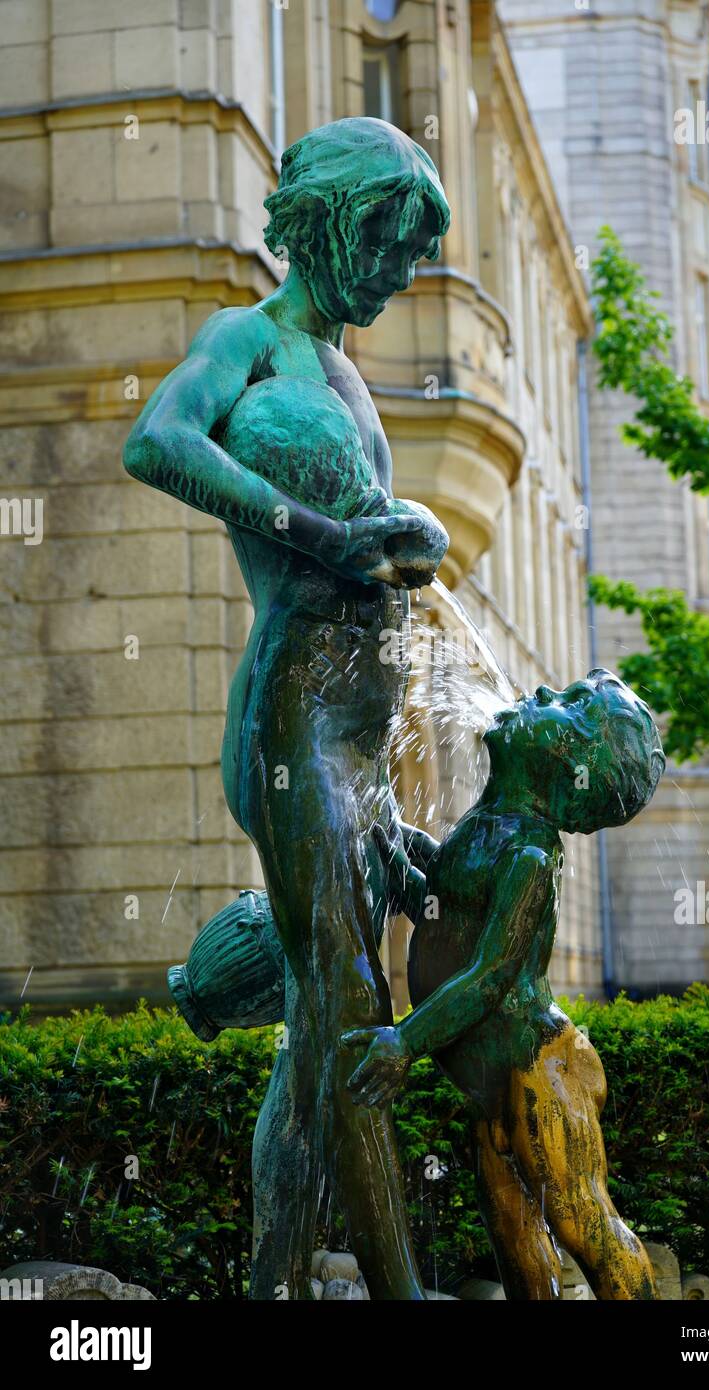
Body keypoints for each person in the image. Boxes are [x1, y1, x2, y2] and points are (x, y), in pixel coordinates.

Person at [125, 118, 451, 1300]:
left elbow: (380, 535)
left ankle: (273, 1281)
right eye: (392, 241)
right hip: (293, 722)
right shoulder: (242, 339)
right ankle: (394, 1285)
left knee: (322, 1027)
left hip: (358, 731)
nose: (404, 273)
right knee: (348, 1004)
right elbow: (154, 440)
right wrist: (321, 534)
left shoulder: (350, 374)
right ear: (333, 220)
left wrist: (414, 535)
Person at [343, 670, 665, 1300]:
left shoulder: (530, 856)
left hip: (538, 1074)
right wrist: (390, 846)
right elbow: (442, 905)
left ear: (568, 763)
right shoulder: (487, 825)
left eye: (568, 704)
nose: (543, 694)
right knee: (515, 1233)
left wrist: (404, 1041)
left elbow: (491, 976)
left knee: (584, 1224)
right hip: (492, 1084)